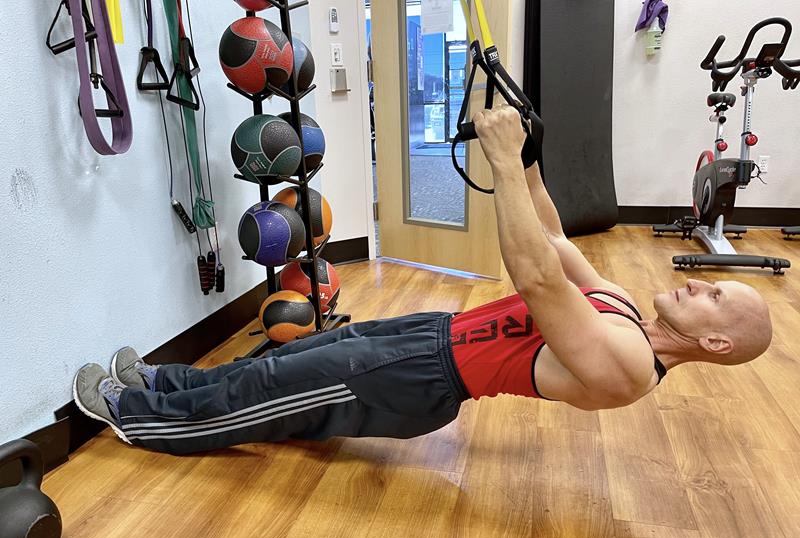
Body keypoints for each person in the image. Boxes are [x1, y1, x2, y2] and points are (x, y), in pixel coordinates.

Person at [73, 105, 773, 455]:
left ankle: (135, 419)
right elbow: (555, 239)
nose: (698, 285)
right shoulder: (622, 306)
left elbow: (536, 278)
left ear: (714, 344)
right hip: (431, 334)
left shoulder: (628, 367)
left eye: (715, 297)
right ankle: (166, 383)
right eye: (712, 284)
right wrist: (529, 157)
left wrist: (502, 164)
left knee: (273, 394)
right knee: (280, 361)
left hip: (421, 380)